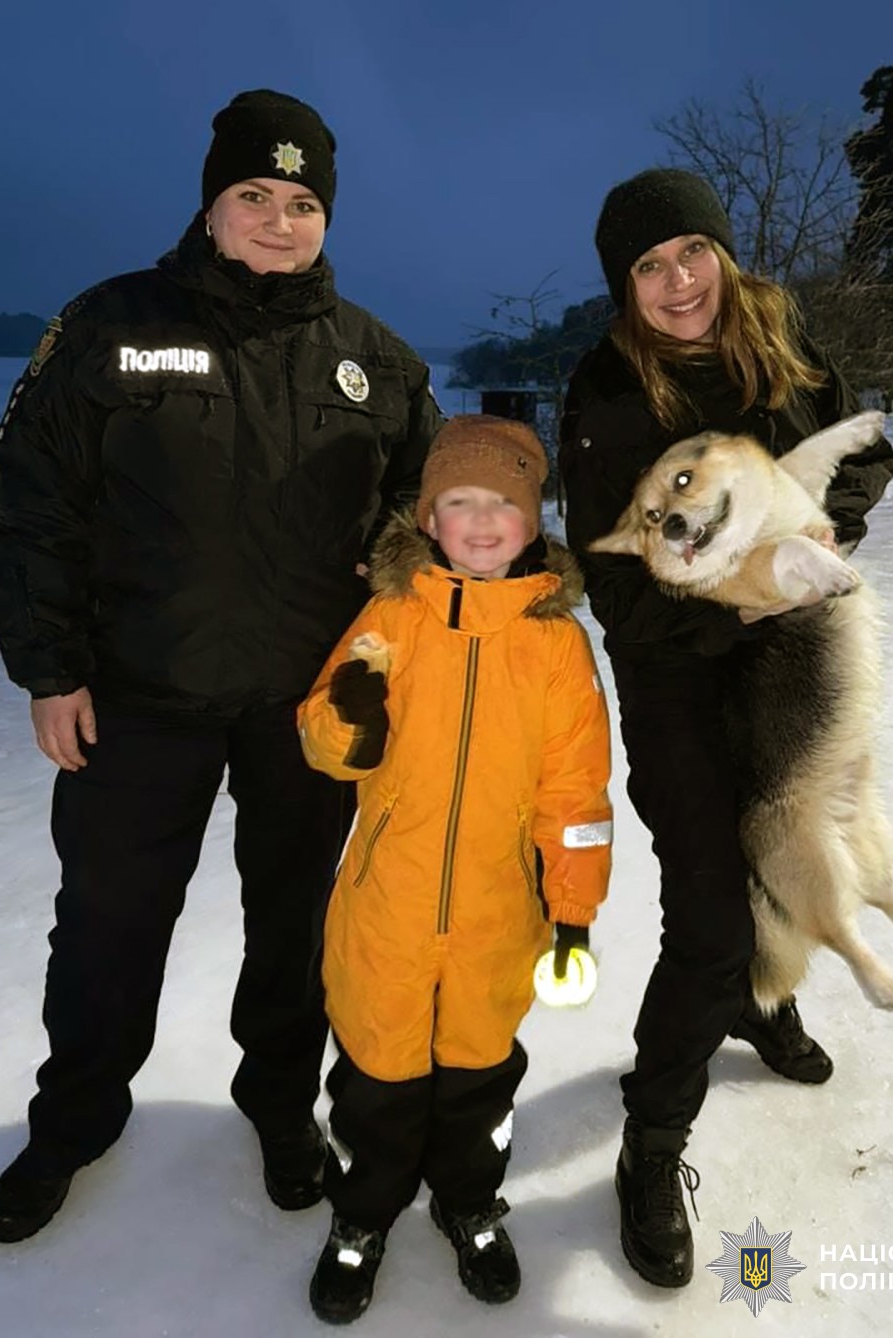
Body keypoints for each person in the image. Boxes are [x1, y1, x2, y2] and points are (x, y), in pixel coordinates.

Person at [0, 89, 442, 1244]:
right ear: (210, 201)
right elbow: (36, 505)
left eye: (300, 203)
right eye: (254, 196)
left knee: (293, 926)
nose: (278, 222)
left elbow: (430, 532)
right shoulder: (110, 326)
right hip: (139, 700)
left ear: (326, 216)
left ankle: (283, 1108)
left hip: (307, 711)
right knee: (107, 923)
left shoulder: (378, 365)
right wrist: (51, 668)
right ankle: (73, 1123)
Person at [558, 168, 893, 1289]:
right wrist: (745, 595)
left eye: (689, 252)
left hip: (790, 664)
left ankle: (768, 1000)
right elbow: (624, 596)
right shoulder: (607, 391)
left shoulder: (783, 348)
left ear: (722, 253)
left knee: (795, 850)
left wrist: (828, 529)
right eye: (648, 267)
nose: (676, 281)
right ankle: (652, 1149)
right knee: (708, 915)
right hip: (679, 683)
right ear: (626, 286)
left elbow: (865, 455)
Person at [295, 415, 612, 1324]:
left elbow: (578, 796)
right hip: (385, 909)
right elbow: (326, 743)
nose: (480, 522)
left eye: (502, 505)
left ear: (532, 520)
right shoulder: (391, 617)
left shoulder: (557, 648)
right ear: (428, 518)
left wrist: (573, 914)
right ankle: (361, 1218)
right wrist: (350, 717)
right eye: (459, 502)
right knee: (375, 1084)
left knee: (479, 1083)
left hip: (497, 919)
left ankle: (470, 1203)